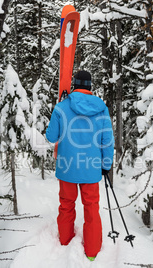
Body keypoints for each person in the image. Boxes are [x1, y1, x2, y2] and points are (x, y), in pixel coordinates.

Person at [45, 70, 114, 261]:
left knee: (66, 205)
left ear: (74, 84)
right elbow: (107, 140)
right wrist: (106, 164)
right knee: (91, 207)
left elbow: (51, 136)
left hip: (67, 167)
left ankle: (65, 241)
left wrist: (61, 108)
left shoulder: (61, 107)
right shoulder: (101, 108)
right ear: (90, 87)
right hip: (91, 168)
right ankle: (92, 252)